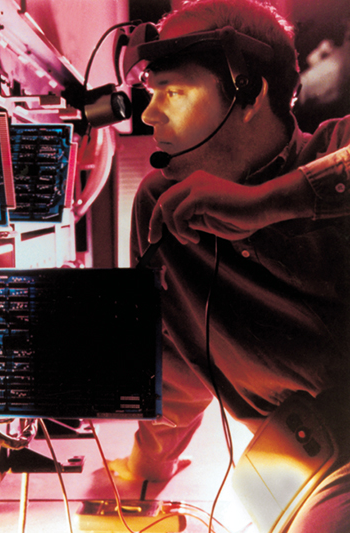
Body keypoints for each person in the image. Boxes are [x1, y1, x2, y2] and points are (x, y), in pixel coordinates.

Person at [109, 0, 350, 530]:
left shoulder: (334, 149)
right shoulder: (161, 204)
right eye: (152, 94)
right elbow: (176, 355)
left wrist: (269, 203)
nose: (149, 115)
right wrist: (144, 468)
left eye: (172, 93)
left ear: (248, 93)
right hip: (303, 459)